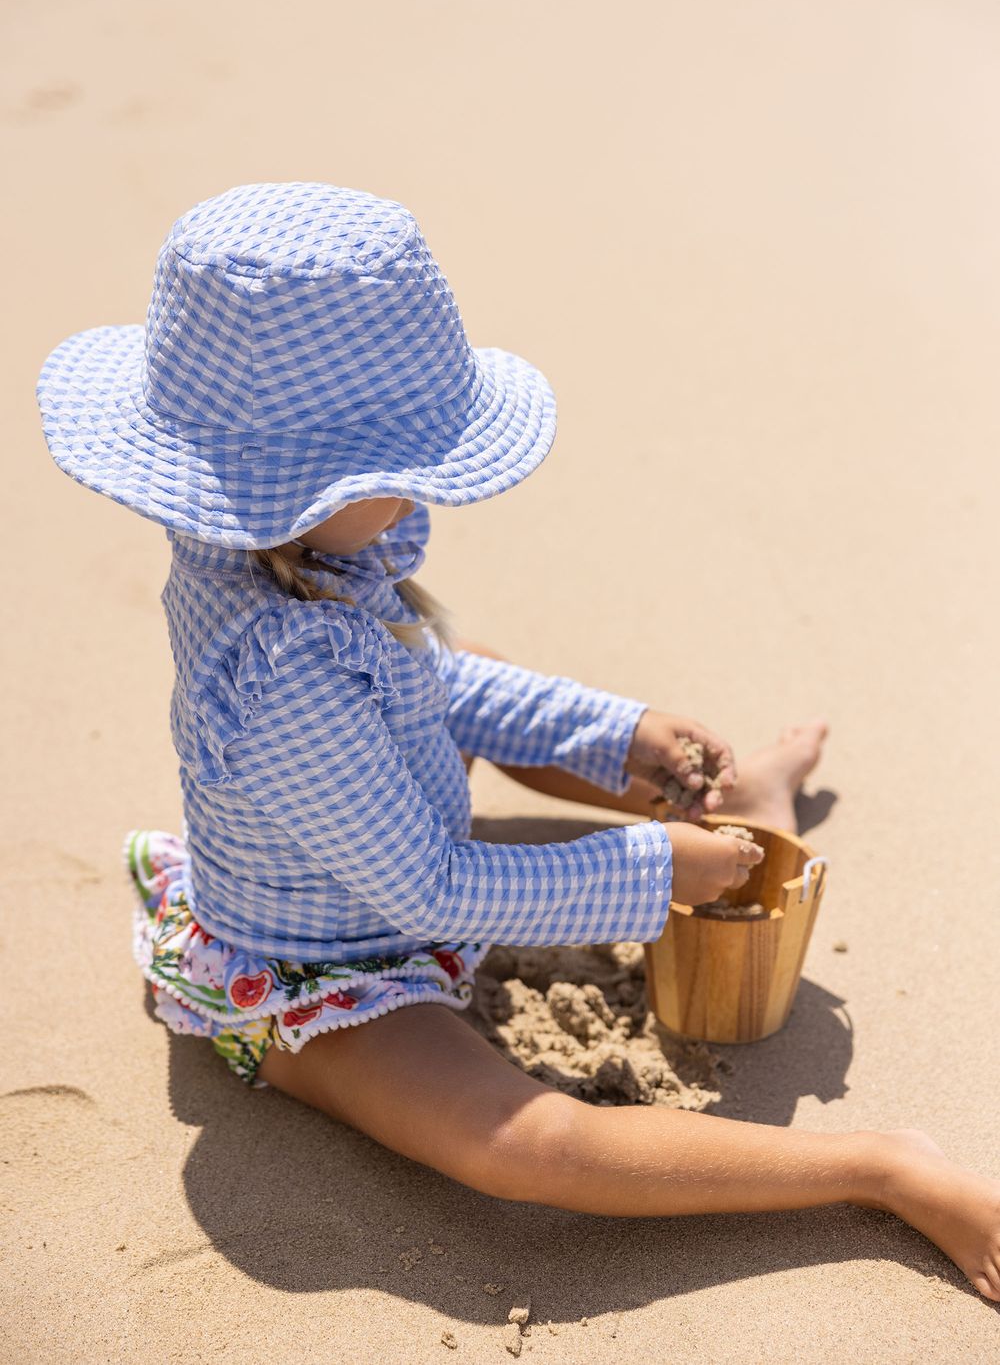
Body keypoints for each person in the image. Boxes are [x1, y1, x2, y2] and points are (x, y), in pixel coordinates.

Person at [36, 182, 1000, 1302]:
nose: (420, 495)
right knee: (522, 1146)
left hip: (353, 841)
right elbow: (430, 891)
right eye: (402, 468)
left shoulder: (274, 546)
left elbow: (435, 677)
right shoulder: (280, 675)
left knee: (466, 664)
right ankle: (885, 1169)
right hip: (324, 965)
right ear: (309, 485)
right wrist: (647, 874)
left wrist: (613, 732)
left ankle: (731, 806)